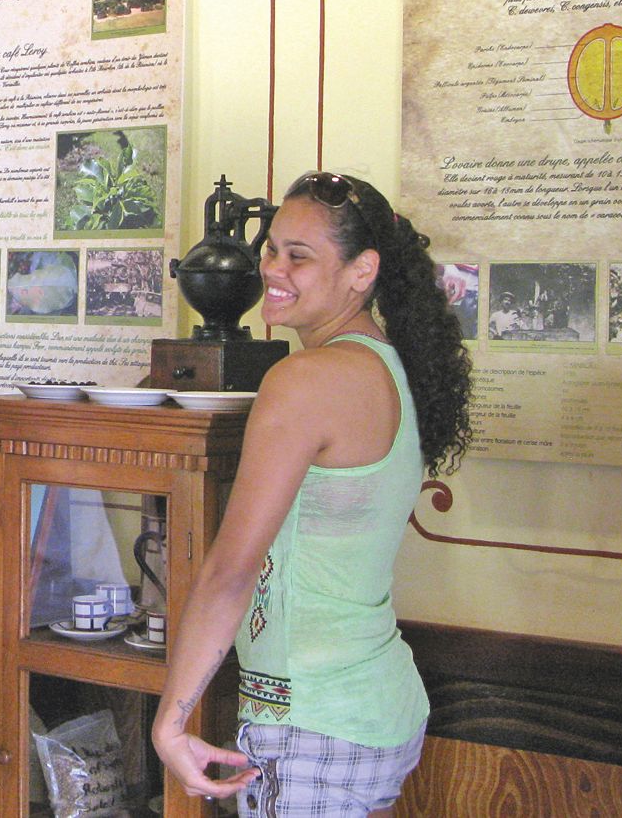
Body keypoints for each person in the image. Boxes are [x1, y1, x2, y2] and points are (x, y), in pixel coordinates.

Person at [152, 171, 472, 816]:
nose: (274, 268)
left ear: (362, 272)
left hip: (316, 721)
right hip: (369, 703)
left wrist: (171, 721)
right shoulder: (382, 363)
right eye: (271, 248)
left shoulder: (307, 378)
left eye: (300, 257)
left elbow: (229, 573)